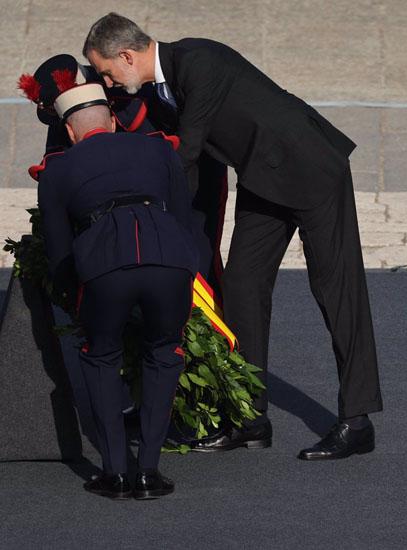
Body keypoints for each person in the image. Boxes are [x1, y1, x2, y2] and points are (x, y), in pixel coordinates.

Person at [83, 13, 383, 459]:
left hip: (311, 166)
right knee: (242, 285)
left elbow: (187, 151)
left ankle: (357, 421)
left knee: (336, 289)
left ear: (126, 56)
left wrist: (143, 209)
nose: (110, 82)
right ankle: (249, 418)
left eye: (107, 72)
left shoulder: (197, 62)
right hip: (265, 179)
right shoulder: (163, 84)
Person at [34, 78, 200, 499]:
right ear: (111, 120)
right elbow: (183, 217)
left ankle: (114, 472)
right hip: (168, 260)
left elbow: (59, 250)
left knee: (101, 357)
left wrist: (75, 298)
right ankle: (148, 471)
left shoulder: (57, 170)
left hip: (104, 266)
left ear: (70, 132)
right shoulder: (159, 148)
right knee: (164, 355)